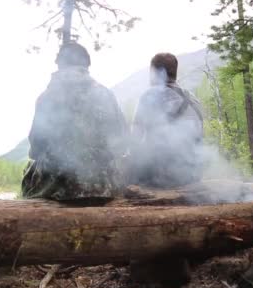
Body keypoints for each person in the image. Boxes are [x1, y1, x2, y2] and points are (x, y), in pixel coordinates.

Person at [22, 42, 128, 202]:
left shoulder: (46, 98)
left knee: (29, 171)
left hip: (58, 187)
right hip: (104, 187)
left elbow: (36, 149)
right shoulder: (106, 95)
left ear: (60, 64)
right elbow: (122, 143)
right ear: (86, 66)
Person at [130, 52, 204, 188]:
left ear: (155, 73)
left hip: (164, 175)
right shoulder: (193, 98)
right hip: (193, 173)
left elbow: (135, 137)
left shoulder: (150, 95)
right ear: (175, 72)